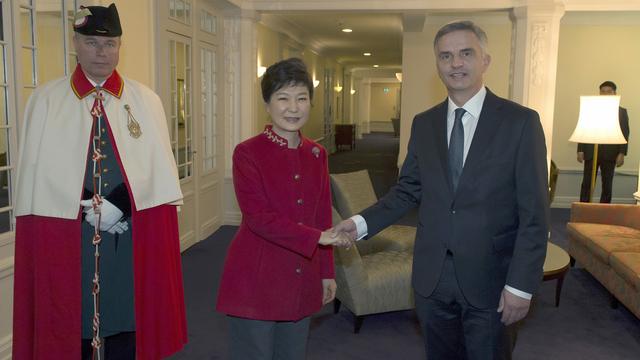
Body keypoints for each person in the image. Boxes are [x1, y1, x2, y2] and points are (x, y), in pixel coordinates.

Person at [333, 21, 549, 359]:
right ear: (438, 65)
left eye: (466, 53)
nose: (456, 63)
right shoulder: (424, 123)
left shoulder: (520, 123)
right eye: (446, 56)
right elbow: (406, 191)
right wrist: (359, 224)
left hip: (491, 279)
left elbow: (535, 215)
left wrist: (521, 285)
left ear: (485, 61)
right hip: (432, 279)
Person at [12, 4, 187, 359]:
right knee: (70, 319)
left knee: (128, 315)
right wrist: (87, 202)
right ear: (75, 42)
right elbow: (39, 171)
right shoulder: (46, 100)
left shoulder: (145, 100)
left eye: (110, 44)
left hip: (129, 230)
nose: (101, 53)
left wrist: (119, 205)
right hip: (69, 231)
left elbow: (157, 167)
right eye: (91, 42)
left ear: (120, 46)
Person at [216, 58, 350, 360]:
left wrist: (326, 273)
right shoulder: (248, 152)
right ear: (267, 103)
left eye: (302, 98)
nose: (293, 108)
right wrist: (317, 238)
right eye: (283, 98)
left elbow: (322, 216)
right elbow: (258, 218)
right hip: (256, 277)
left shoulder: (317, 153)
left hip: (301, 276)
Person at [577, 81, 630, 203]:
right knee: (587, 183)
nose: (605, 94)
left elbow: (625, 133)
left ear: (615, 93)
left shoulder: (621, 112)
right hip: (591, 151)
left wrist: (622, 153)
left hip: (610, 153)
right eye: (603, 91)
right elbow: (583, 128)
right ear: (599, 93)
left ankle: (604, 211)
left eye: (608, 91)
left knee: (607, 184)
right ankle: (584, 209)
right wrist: (580, 149)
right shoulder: (591, 109)